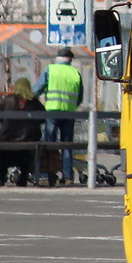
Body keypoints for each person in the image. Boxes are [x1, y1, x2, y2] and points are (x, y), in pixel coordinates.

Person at [33, 47, 84, 185]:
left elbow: (37, 90)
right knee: (67, 145)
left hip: (52, 111)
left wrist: (32, 101)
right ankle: (67, 177)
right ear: (70, 59)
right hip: (69, 112)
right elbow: (80, 97)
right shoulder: (75, 73)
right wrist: (72, 106)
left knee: (49, 144)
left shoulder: (51, 70)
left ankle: (47, 174)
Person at [0, 78, 45, 187]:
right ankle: (23, 178)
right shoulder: (34, 101)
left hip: (7, 138)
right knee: (25, 155)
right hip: (29, 138)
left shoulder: (7, 100)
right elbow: (43, 119)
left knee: (3, 154)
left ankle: (1, 177)